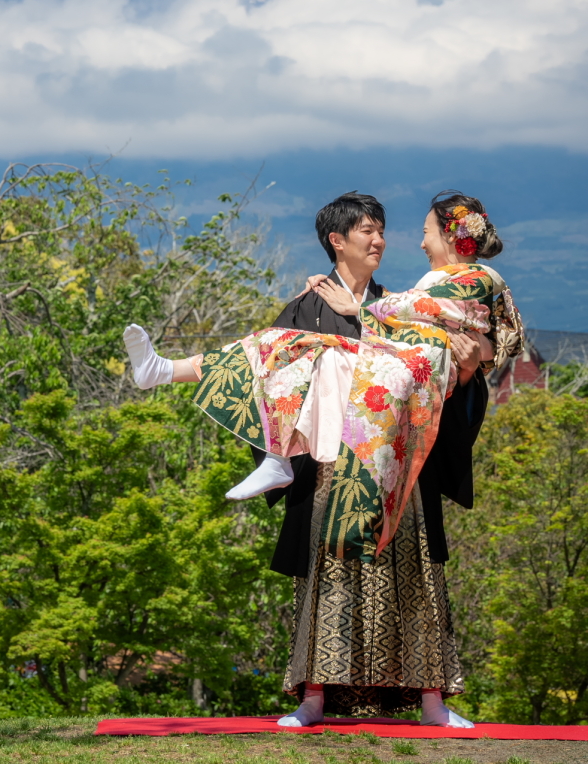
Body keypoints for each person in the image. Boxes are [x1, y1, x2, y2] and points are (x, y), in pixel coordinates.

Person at [123, 191, 523, 728]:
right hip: (329, 470)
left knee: (416, 582)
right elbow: (271, 389)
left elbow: (444, 366)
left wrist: (469, 363)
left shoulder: (396, 303)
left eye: (382, 228)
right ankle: (313, 697)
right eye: (366, 230)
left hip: (399, 461)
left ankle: (433, 700)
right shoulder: (306, 308)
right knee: (328, 584)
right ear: (337, 240)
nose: (380, 238)